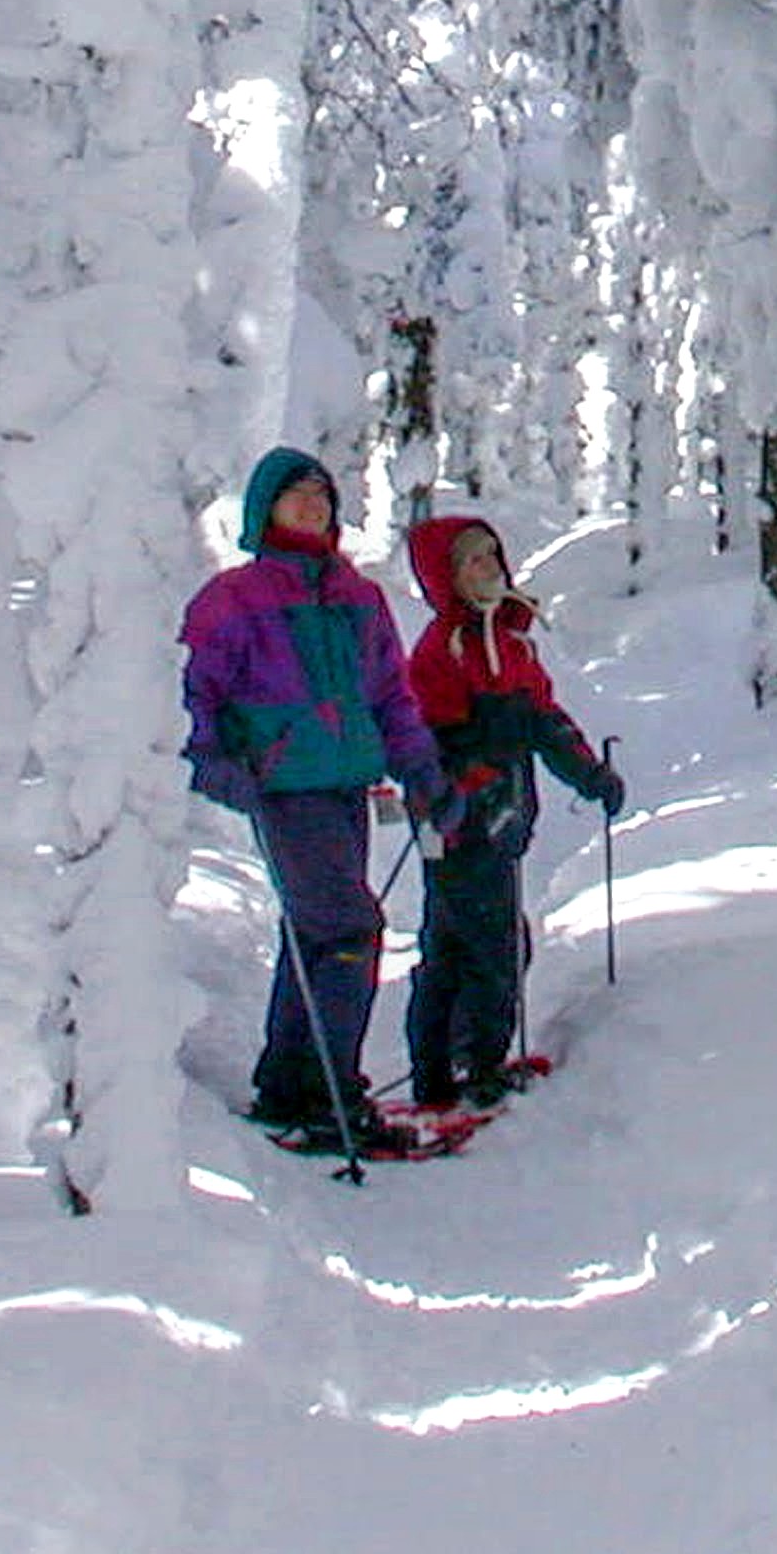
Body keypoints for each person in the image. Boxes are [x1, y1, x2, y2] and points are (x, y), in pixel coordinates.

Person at [181, 446, 452, 1151]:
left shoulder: (357, 595)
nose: (312, 503)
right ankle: (334, 1096)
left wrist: (421, 773)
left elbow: (390, 694)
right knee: (347, 932)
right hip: (284, 788)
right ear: (263, 507)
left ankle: (292, 1087)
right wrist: (216, 766)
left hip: (345, 784)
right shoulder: (233, 599)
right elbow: (191, 695)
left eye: (322, 494)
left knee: (317, 930)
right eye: (294, 493)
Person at [397, 510, 624, 1110]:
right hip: (460, 823)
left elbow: (545, 720)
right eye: (471, 561)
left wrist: (590, 775)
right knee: (486, 946)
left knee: (465, 943)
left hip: (502, 821)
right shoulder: (441, 649)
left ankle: (448, 1070)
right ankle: (469, 1066)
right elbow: (423, 740)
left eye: (491, 557)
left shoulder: (512, 640)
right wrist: (459, 788)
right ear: (444, 578)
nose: (487, 570)